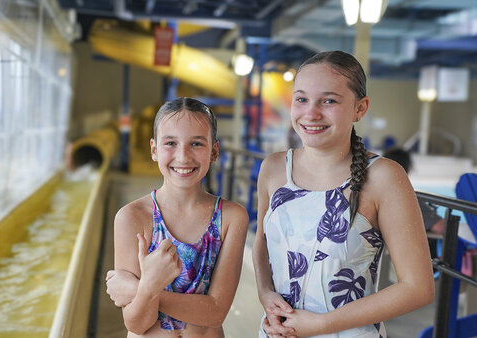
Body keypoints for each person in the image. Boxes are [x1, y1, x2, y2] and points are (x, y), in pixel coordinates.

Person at [252, 51, 435, 337]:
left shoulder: (384, 177)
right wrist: (265, 294)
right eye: (301, 99)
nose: (311, 113)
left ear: (359, 109)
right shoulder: (274, 168)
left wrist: (323, 325)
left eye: (328, 101)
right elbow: (262, 243)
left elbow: (418, 287)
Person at [105, 97, 249, 337]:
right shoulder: (132, 217)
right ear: (154, 150)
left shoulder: (231, 218)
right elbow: (136, 324)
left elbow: (216, 312)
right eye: (171, 143)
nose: (183, 156)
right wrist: (147, 288)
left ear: (214, 151)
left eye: (196, 144)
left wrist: (144, 289)